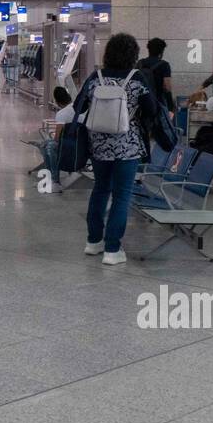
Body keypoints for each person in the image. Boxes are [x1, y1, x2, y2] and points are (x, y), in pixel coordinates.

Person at [72, 33, 172, 266]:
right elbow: (151, 111)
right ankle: (113, 249)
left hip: (99, 146)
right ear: (133, 55)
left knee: (100, 190)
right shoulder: (136, 78)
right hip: (128, 147)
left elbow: (79, 105)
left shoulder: (95, 78)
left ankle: (93, 242)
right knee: (122, 195)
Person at [41, 86, 76, 185]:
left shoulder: (62, 114)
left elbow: (57, 138)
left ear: (57, 101)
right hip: (82, 144)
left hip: (69, 146)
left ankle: (53, 176)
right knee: (48, 143)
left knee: (48, 146)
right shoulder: (80, 109)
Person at [137, 37, 174, 111]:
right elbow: (167, 87)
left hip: (141, 103)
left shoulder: (140, 63)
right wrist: (171, 106)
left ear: (149, 49)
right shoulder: (164, 65)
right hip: (158, 103)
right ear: (162, 51)